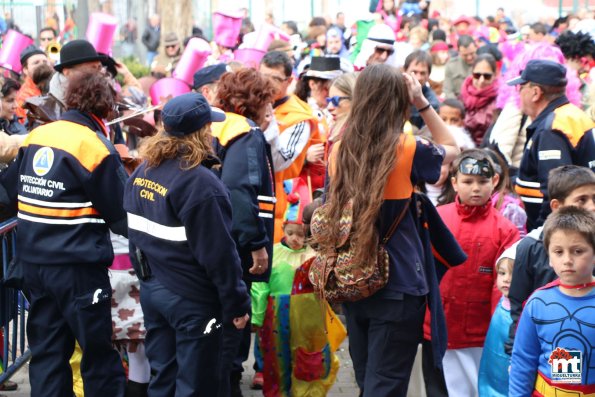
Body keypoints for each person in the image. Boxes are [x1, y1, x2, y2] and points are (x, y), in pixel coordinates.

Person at [316, 64, 461, 397]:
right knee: (387, 383)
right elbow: (451, 147)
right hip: (400, 283)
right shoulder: (407, 147)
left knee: (368, 379)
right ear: (399, 100)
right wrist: (422, 103)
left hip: (355, 279)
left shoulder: (339, 148)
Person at [0, 71, 128, 397]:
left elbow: (11, 189)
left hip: (33, 266)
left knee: (47, 356)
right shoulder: (94, 146)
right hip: (77, 270)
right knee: (97, 357)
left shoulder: (37, 136)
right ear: (105, 107)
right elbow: (122, 215)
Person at [124, 92, 250, 396]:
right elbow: (220, 256)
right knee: (196, 385)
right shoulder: (201, 184)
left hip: (155, 291)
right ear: (201, 132)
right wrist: (237, 303)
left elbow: (134, 233)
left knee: (163, 378)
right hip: (192, 299)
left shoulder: (144, 170)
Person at [425, 149, 519, 397]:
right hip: (435, 325)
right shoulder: (436, 217)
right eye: (468, 182)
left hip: (479, 333)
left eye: (482, 182)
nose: (475, 188)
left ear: (494, 182)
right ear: (454, 183)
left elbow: (503, 285)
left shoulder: (505, 230)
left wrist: (499, 329)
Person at [210, 68, 276, 397]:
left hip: (212, 242)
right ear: (256, 101)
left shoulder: (217, 125)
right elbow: (237, 190)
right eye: (268, 100)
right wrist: (257, 245)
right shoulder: (245, 133)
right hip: (235, 247)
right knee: (232, 331)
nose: (271, 108)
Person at [251, 185, 341, 396]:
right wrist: (257, 315)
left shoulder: (314, 255)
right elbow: (260, 284)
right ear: (282, 230)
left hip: (307, 318)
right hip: (276, 316)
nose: (294, 239)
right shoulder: (273, 253)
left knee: (306, 359)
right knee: (276, 358)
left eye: (300, 234)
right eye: (290, 233)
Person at [505, 165, 595, 355]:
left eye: (594, 199)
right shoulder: (530, 247)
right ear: (557, 206)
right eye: (582, 200)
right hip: (549, 350)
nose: (591, 206)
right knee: (562, 382)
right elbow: (519, 307)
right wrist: (516, 355)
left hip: (589, 347)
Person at [509, 206, 595, 396]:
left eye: (578, 251)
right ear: (549, 256)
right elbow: (523, 361)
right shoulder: (538, 303)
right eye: (558, 252)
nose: (567, 260)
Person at [507, 59, 595, 231]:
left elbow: (556, 190)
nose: (518, 93)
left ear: (535, 92)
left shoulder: (551, 129)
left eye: (521, 87)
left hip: (564, 233)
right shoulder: (570, 114)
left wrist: (542, 235)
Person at [259, 51, 318, 242]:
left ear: (288, 81)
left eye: (275, 79)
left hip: (281, 201)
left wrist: (269, 126)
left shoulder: (300, 116)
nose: (267, 83)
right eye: (263, 76)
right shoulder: (250, 104)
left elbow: (279, 162)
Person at [23, 39, 106, 125]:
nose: (98, 74)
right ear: (67, 72)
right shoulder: (42, 111)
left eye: (99, 68)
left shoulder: (102, 101)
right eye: (91, 68)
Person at [477, 245, 516, 397]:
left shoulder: (524, 310)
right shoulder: (501, 303)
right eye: (502, 273)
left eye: (514, 274)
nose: (506, 279)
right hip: (492, 364)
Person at [460, 54, 499, 145]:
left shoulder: (500, 101)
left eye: (487, 76)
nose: (481, 80)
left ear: (494, 76)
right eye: (477, 75)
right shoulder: (463, 94)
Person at [404, 50, 440, 129]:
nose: (418, 77)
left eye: (423, 73)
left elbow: (427, 134)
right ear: (405, 70)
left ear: (428, 75)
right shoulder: (393, 92)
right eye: (414, 72)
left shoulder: (432, 102)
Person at [16, 46, 50, 122]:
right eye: (36, 63)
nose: (42, 65)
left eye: (45, 62)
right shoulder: (23, 98)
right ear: (25, 69)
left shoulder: (56, 87)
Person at [443, 35, 477, 99]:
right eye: (465, 55)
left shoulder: (483, 63)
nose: (469, 57)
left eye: (472, 53)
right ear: (458, 52)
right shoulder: (451, 66)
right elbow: (448, 91)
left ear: (476, 48)